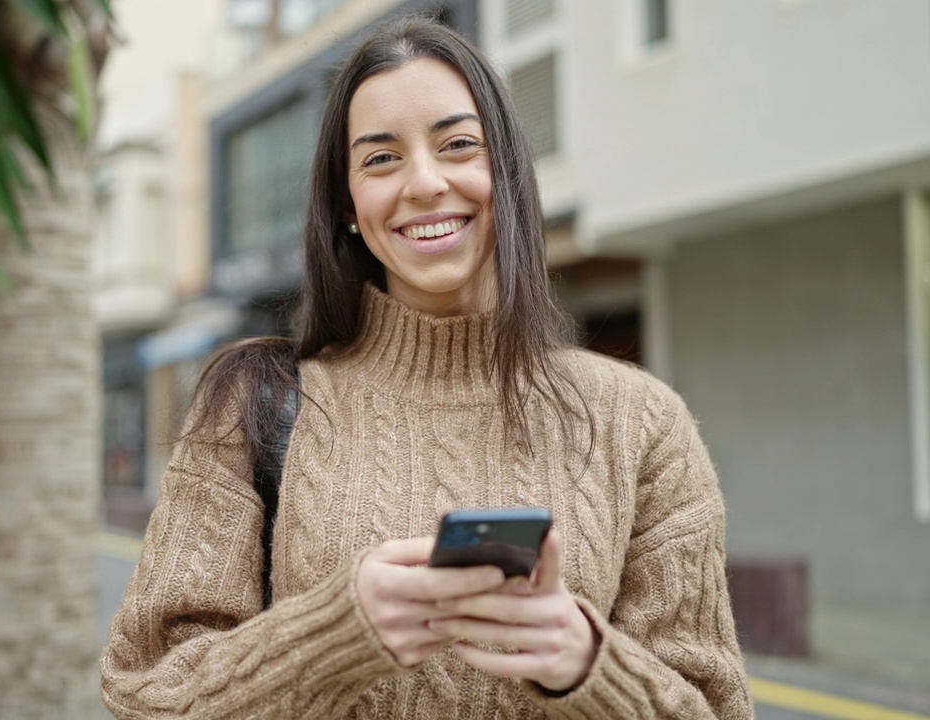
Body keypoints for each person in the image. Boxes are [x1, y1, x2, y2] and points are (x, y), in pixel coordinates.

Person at [102, 15, 752, 719]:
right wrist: (335, 634)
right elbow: (146, 694)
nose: (425, 182)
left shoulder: (642, 422)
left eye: (458, 145)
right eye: (381, 159)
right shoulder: (254, 404)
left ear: (506, 172)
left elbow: (716, 708)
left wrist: (586, 662)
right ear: (348, 207)